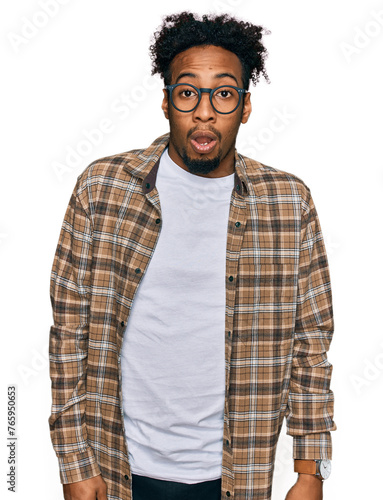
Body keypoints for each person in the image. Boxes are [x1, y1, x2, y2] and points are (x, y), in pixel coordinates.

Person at [48, 12, 336, 500]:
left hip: (237, 473)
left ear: (245, 107)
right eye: (188, 92)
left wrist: (310, 472)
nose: (205, 111)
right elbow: (68, 334)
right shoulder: (103, 189)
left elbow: (311, 344)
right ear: (166, 102)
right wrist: (74, 463)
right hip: (121, 467)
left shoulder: (288, 203)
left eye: (224, 93)